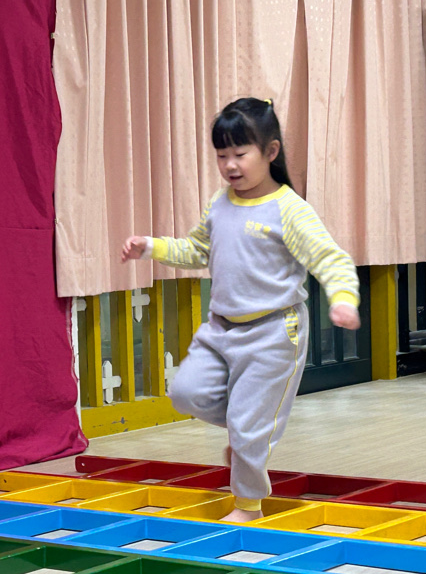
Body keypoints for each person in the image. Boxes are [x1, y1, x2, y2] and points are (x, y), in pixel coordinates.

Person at [120, 97, 360, 521]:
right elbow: (197, 249)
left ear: (270, 151)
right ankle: (248, 430)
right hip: (221, 330)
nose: (230, 165)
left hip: (274, 333)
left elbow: (330, 259)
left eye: (240, 154)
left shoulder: (289, 209)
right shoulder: (220, 203)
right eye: (222, 155)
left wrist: (343, 299)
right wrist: (151, 247)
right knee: (186, 393)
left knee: (250, 428)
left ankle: (248, 504)